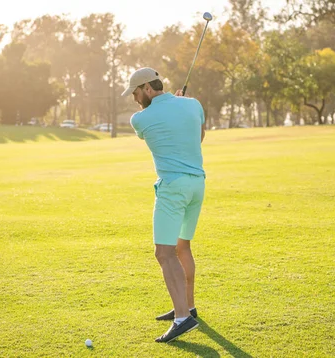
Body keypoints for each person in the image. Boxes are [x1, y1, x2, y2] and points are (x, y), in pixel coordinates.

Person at [121, 67, 206, 343]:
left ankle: (182, 319)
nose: (134, 99)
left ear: (147, 88)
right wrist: (180, 103)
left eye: (135, 92)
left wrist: (172, 106)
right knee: (183, 247)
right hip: (197, 184)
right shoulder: (193, 105)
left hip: (173, 188)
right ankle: (188, 307)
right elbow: (198, 136)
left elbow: (157, 128)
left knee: (164, 253)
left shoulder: (140, 119)